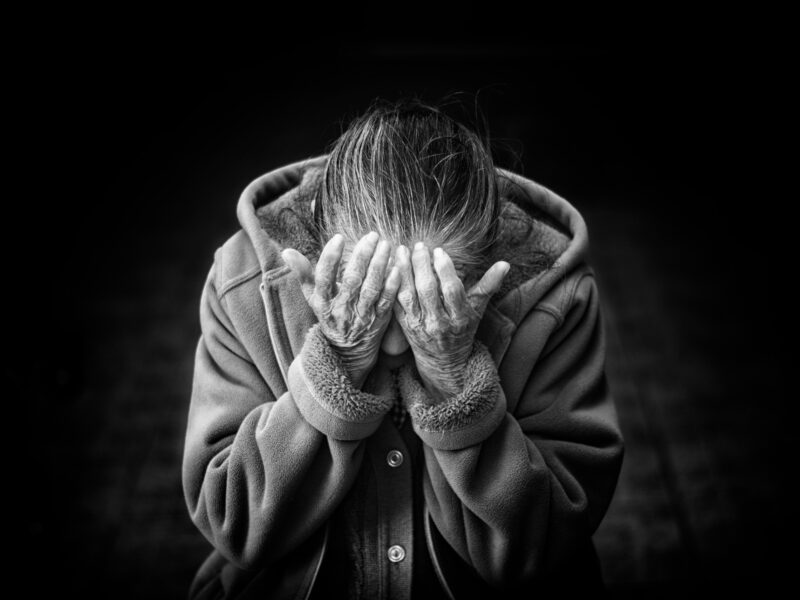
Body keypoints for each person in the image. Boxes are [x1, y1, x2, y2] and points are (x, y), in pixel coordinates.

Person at [181, 99, 624, 599]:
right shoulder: (242, 283)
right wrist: (337, 361)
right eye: (367, 294)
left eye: (430, 298)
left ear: (490, 265)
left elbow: (545, 545)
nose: (394, 341)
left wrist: (455, 378)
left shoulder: (558, 297)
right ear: (316, 238)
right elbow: (232, 522)